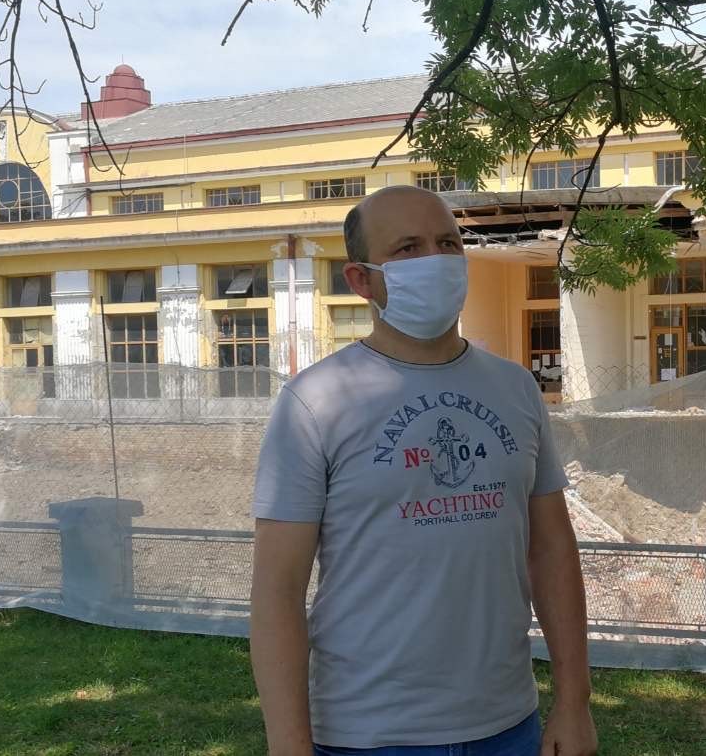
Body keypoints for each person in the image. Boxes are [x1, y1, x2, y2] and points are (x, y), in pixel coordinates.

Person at [250, 185, 597, 756]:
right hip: (370, 734)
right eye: (408, 248)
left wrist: (574, 701)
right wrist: (289, 745)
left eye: (447, 243)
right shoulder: (315, 403)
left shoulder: (515, 388)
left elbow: (551, 549)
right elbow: (278, 592)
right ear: (361, 280)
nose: (435, 260)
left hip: (508, 724)